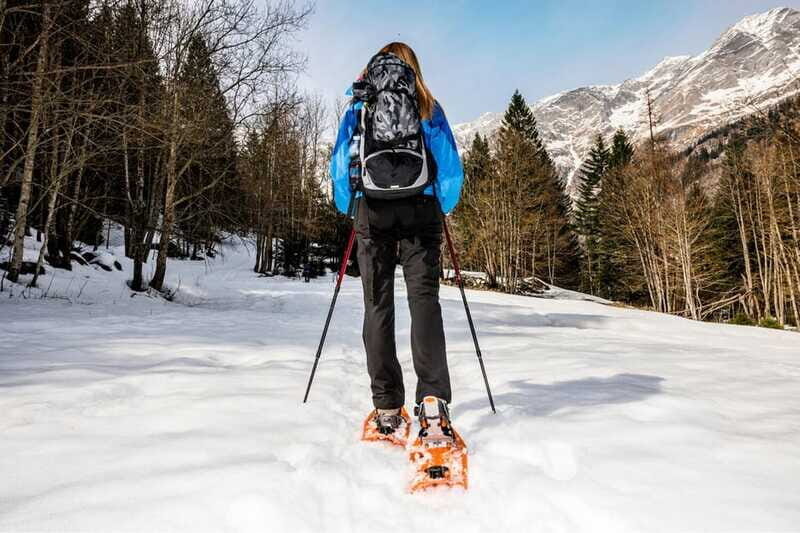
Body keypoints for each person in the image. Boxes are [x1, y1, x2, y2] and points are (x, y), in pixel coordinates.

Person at [330, 42, 463, 437]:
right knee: (424, 301)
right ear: (413, 69)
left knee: (377, 304)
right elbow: (450, 166)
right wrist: (442, 203)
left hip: (373, 211)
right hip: (421, 210)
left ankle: (387, 407)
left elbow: (341, 164)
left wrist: (351, 205)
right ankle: (433, 403)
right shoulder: (426, 104)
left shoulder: (360, 106)